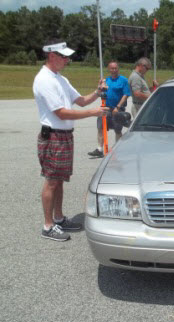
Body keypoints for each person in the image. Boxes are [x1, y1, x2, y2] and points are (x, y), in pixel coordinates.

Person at [33, 40, 109, 241]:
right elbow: (61, 113)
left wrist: (98, 92)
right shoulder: (44, 80)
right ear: (51, 56)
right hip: (54, 136)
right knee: (51, 182)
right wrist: (94, 113)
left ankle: (58, 218)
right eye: (63, 57)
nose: (67, 60)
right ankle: (48, 226)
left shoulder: (61, 79)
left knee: (59, 181)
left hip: (64, 136)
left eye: (67, 56)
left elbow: (81, 100)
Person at [88, 61, 131, 158]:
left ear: (118, 69)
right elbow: (99, 93)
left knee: (117, 130)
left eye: (115, 68)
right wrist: (99, 87)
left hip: (117, 109)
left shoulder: (123, 80)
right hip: (106, 108)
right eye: (112, 68)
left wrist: (118, 107)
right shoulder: (106, 80)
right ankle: (99, 149)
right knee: (101, 128)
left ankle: (118, 149)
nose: (114, 70)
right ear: (109, 69)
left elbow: (126, 94)